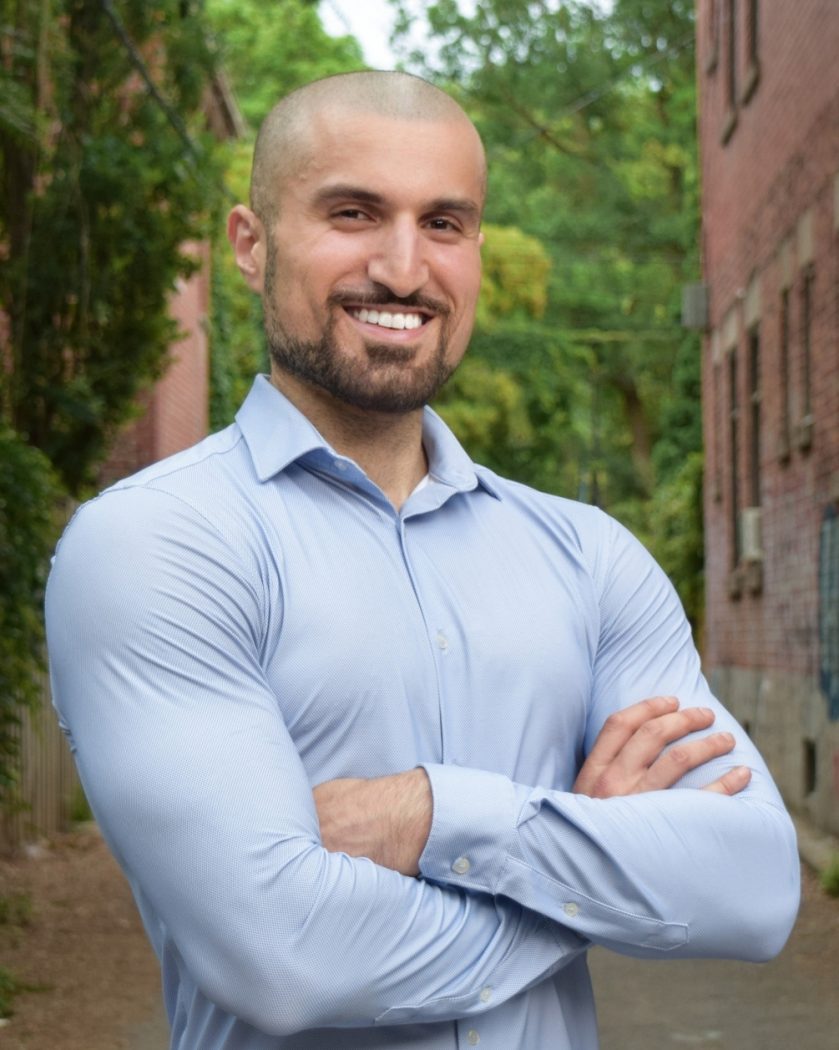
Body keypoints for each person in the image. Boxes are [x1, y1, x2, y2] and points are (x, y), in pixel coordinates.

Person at [45, 71, 799, 1050]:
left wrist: (433, 816)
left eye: (443, 223)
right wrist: (583, 851)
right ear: (250, 242)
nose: (402, 269)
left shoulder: (588, 558)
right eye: (352, 213)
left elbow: (750, 888)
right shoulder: (157, 546)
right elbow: (283, 959)